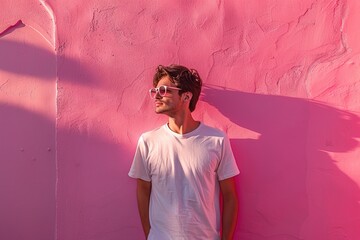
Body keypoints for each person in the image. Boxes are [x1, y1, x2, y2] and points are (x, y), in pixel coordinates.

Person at [128, 64, 240, 240]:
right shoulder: (148, 142)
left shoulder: (216, 140)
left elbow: (230, 196)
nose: (156, 95)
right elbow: (143, 190)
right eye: (155, 91)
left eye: (164, 90)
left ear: (186, 96)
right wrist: (150, 234)